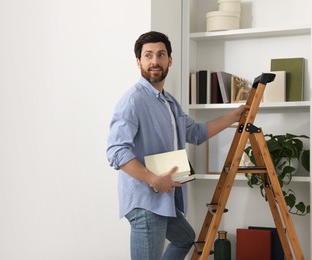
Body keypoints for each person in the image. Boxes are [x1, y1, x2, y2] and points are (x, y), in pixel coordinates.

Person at [106, 31, 247, 260]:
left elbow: (196, 133)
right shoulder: (133, 100)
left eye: (160, 55)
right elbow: (116, 151)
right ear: (138, 62)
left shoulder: (169, 101)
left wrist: (234, 116)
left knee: (185, 238)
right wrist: (153, 179)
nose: (154, 61)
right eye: (148, 55)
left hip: (165, 199)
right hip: (146, 201)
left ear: (169, 60)